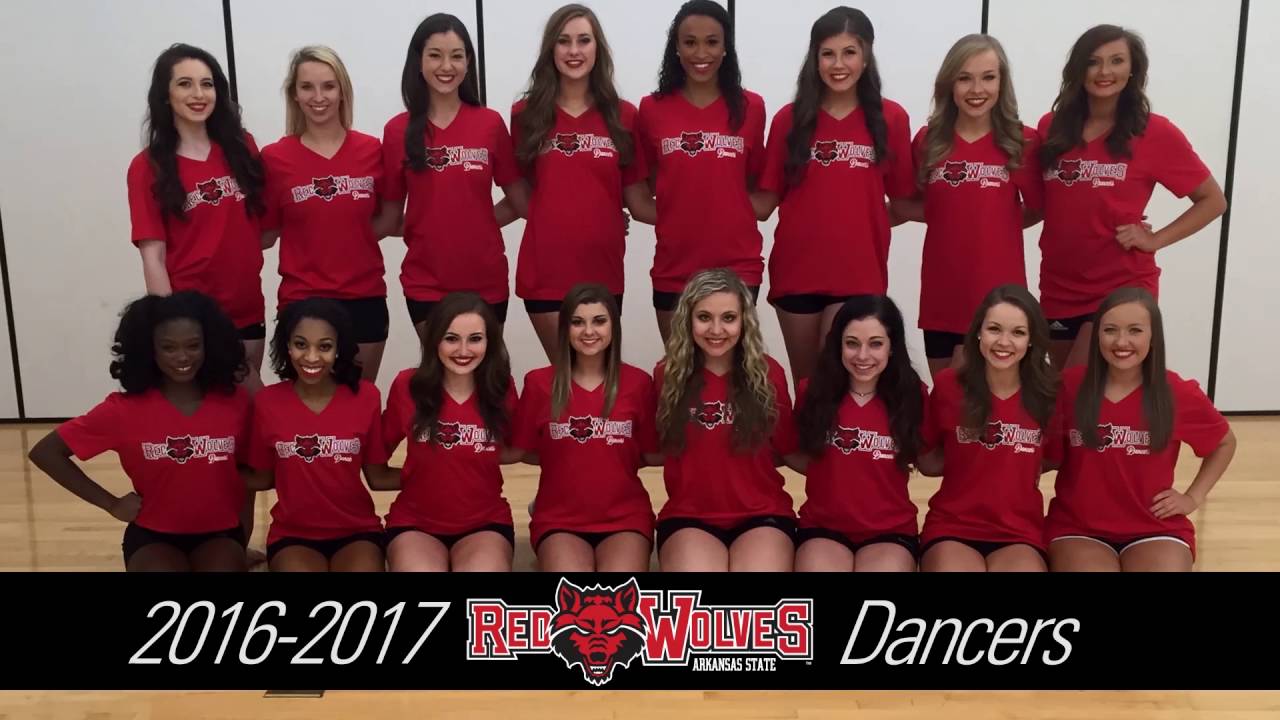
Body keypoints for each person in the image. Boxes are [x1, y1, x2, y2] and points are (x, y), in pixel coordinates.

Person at [1038, 24, 1226, 368]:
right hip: (1058, 285)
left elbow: (1213, 200)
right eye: (1093, 61)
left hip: (1121, 283)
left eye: (1116, 61)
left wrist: (1155, 239)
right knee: (1064, 388)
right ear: (1078, 69)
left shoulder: (1155, 132)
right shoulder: (1052, 127)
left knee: (1082, 380)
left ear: (1133, 69)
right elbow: (1045, 202)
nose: (1104, 71)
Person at [27, 292, 251, 571]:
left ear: (210, 345)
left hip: (219, 532)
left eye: (193, 345)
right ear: (149, 349)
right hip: (153, 535)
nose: (183, 356)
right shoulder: (122, 410)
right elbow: (46, 452)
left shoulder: (235, 402)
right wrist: (111, 504)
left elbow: (254, 471)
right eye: (168, 347)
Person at [754, 7, 914, 383]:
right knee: (807, 386)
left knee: (840, 384)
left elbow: (903, 202)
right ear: (815, 58)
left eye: (849, 52)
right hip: (797, 271)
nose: (838, 64)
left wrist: (862, 218)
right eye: (828, 53)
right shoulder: (789, 119)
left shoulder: (891, 119)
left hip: (859, 274)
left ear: (866, 56)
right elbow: (764, 202)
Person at [1046, 288, 1236, 571]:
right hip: (1078, 527)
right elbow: (1041, 453)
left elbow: (1224, 443)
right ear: (1097, 335)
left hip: (1154, 526)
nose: (1121, 341)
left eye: (1135, 330)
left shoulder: (1176, 392)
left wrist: (1192, 498)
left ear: (1153, 336)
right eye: (1110, 330)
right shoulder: (1069, 386)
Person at [895, 33, 1043, 377]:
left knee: (992, 399)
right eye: (965, 78)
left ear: (1002, 83)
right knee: (946, 398)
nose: (977, 89)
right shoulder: (929, 141)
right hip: (942, 297)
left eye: (988, 77)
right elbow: (912, 205)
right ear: (949, 83)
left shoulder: (1023, 141)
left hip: (1000, 300)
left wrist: (996, 222)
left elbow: (1038, 208)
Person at [510, 4, 653, 359]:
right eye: (564, 41)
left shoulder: (624, 115)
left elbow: (636, 199)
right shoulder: (525, 115)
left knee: (599, 378)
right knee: (565, 378)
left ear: (597, 48)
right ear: (551, 49)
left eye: (584, 40)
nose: (574, 51)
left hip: (603, 271)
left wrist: (703, 217)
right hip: (545, 271)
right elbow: (522, 193)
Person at [127, 44, 267, 392]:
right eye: (185, 84)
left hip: (248, 306)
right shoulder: (147, 167)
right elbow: (153, 257)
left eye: (207, 84)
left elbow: (261, 227)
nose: (198, 94)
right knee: (246, 398)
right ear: (165, 95)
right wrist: (171, 322)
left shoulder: (242, 148)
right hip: (194, 313)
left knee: (241, 409)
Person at [382, 13, 529, 338]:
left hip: (486, 280)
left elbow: (521, 202)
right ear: (418, 61)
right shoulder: (396, 131)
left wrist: (476, 221)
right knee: (439, 368)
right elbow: (390, 218)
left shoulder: (490, 124)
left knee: (486, 367)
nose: (446, 66)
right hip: (426, 283)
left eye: (456, 56)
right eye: (435, 55)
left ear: (468, 62)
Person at [261, 45, 395, 382]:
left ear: (342, 91)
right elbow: (265, 233)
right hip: (302, 301)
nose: (318, 97)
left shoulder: (372, 150)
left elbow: (388, 219)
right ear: (294, 94)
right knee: (307, 407)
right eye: (307, 87)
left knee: (358, 402)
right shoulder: (275, 158)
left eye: (328, 86)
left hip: (364, 298)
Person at [637, 0, 767, 343]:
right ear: (676, 48)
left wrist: (727, 211)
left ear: (726, 48)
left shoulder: (751, 107)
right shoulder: (651, 109)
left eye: (712, 42)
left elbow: (756, 188)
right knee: (680, 370)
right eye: (690, 42)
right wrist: (680, 215)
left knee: (733, 369)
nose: (700, 53)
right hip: (674, 267)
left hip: (738, 266)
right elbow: (640, 194)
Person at [653, 269, 798, 572]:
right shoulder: (666, 376)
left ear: (745, 321)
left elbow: (786, 449)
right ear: (687, 320)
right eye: (704, 317)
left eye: (729, 318)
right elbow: (654, 447)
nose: (716, 329)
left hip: (763, 514)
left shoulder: (769, 374)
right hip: (689, 517)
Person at [513, 284, 657, 572]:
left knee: (618, 595)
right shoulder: (539, 384)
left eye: (599, 321)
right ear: (564, 329)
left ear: (614, 327)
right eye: (577, 322)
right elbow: (524, 450)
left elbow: (650, 453)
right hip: (559, 519)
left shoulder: (639, 383)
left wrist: (607, 456)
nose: (588, 331)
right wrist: (567, 459)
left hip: (625, 517)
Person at [247, 299, 397, 572]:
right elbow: (262, 477)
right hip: (293, 535)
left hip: (357, 531)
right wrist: (205, 465)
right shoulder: (267, 402)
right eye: (301, 344)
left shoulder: (366, 396)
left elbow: (377, 476)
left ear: (339, 349)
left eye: (324, 346)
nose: (312, 357)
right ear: (287, 346)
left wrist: (439, 472)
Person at [918, 285, 1057, 572]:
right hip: (952, 527)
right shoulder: (948, 386)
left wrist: (1011, 461)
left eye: (1018, 332)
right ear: (978, 332)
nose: (1004, 342)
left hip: (1020, 532)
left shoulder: (1049, 393)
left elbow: (1054, 457)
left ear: (1032, 339)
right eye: (994, 329)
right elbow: (928, 460)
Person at [382, 293, 521, 572]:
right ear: (435, 340)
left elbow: (519, 448)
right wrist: (419, 475)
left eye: (475, 339)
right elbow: (375, 461)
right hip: (415, 523)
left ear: (490, 342)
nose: (463, 350)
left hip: (485, 523)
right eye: (451, 338)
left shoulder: (501, 387)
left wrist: (469, 461)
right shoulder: (407, 385)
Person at [789, 295, 926, 571]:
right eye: (852, 343)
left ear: (892, 347)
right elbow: (797, 453)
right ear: (838, 345)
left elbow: (926, 457)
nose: (862, 356)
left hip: (890, 530)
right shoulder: (811, 392)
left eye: (875, 344)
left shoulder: (913, 395)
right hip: (822, 527)